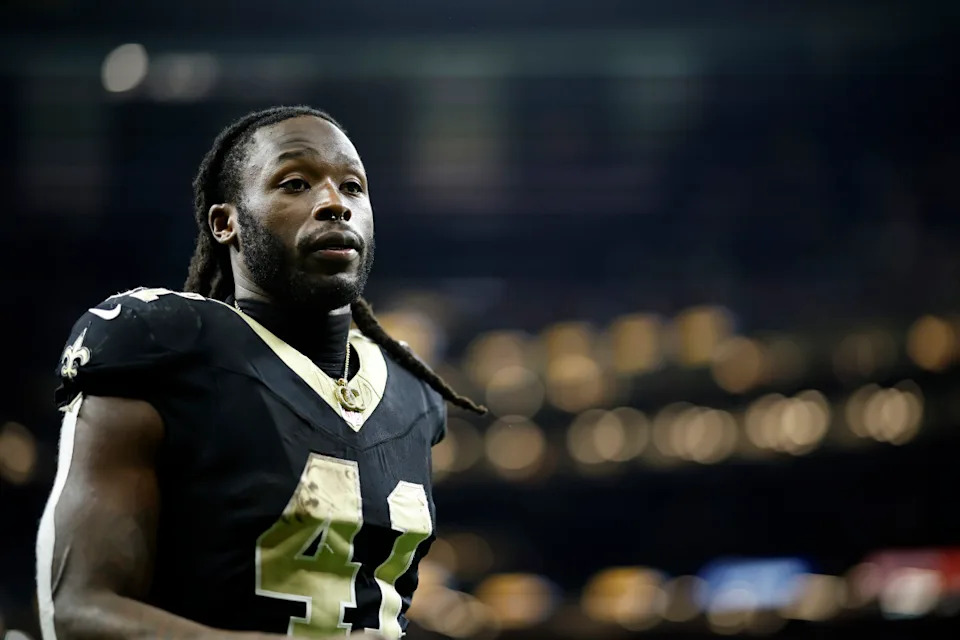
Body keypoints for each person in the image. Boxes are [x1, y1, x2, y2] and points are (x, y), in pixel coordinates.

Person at [36, 105, 486, 640]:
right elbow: (79, 610)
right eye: (296, 183)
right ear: (225, 223)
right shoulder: (161, 342)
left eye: (353, 187)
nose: (335, 203)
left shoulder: (414, 391)